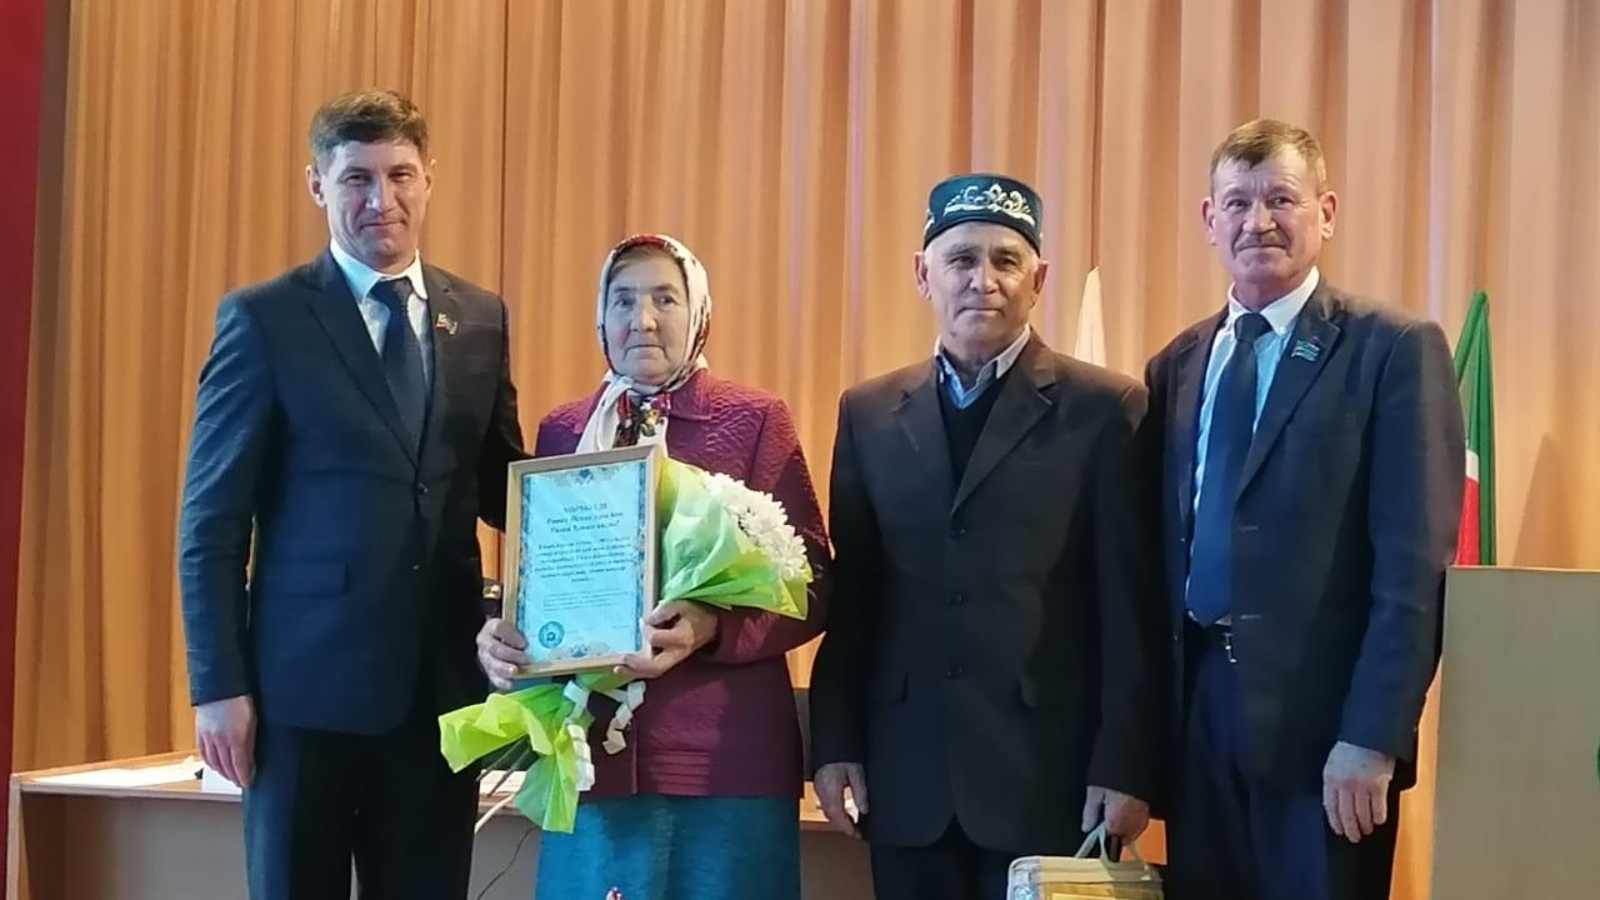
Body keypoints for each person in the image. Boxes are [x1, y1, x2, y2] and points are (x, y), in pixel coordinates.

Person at [177, 89, 525, 899]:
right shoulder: (264, 320)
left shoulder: (480, 319)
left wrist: (613, 511)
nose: (381, 199)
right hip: (301, 701)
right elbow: (211, 526)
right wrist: (218, 687)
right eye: (356, 179)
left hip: (441, 694)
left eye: (399, 175)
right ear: (317, 185)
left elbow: (505, 486)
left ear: (429, 179)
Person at [808, 174, 1167, 900]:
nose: (984, 281)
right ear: (923, 274)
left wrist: (1126, 763)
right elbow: (857, 600)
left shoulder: (1108, 408)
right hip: (906, 773)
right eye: (962, 259)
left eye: (1006, 261)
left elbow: (1132, 607)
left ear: (1039, 279)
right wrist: (835, 741)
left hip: (1049, 776)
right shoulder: (868, 413)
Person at [1143, 119, 1464, 900]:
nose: (1258, 222)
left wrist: (1373, 736)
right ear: (1209, 219)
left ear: (1326, 211)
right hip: (1198, 721)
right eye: (1238, 202)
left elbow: (1413, 571)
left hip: (1327, 735)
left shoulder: (1391, 349)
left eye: (1280, 199)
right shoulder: (1176, 364)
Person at [474, 233, 831, 900]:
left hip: (725, 763)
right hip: (592, 759)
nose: (642, 319)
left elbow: (813, 586)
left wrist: (710, 625)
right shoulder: (564, 430)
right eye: (623, 300)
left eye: (665, 298)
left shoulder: (755, 419)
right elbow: (548, 578)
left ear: (698, 312)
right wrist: (508, 638)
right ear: (600, 317)